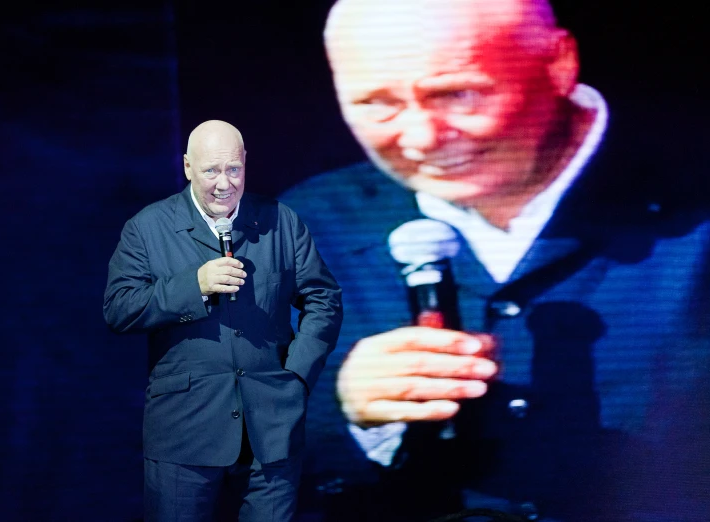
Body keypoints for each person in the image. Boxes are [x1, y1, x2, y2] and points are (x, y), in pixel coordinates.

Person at [279, 1, 710, 521]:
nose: (422, 138)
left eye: (458, 94)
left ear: (558, 63)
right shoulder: (304, 228)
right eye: (377, 105)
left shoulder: (693, 199)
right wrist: (350, 419)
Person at [103, 120, 343, 522]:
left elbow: (324, 300)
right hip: (185, 430)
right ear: (187, 167)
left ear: (246, 163)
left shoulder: (281, 221)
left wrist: (297, 377)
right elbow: (119, 308)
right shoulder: (148, 227)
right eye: (211, 170)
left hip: (272, 427)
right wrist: (193, 285)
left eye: (233, 169)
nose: (224, 183)